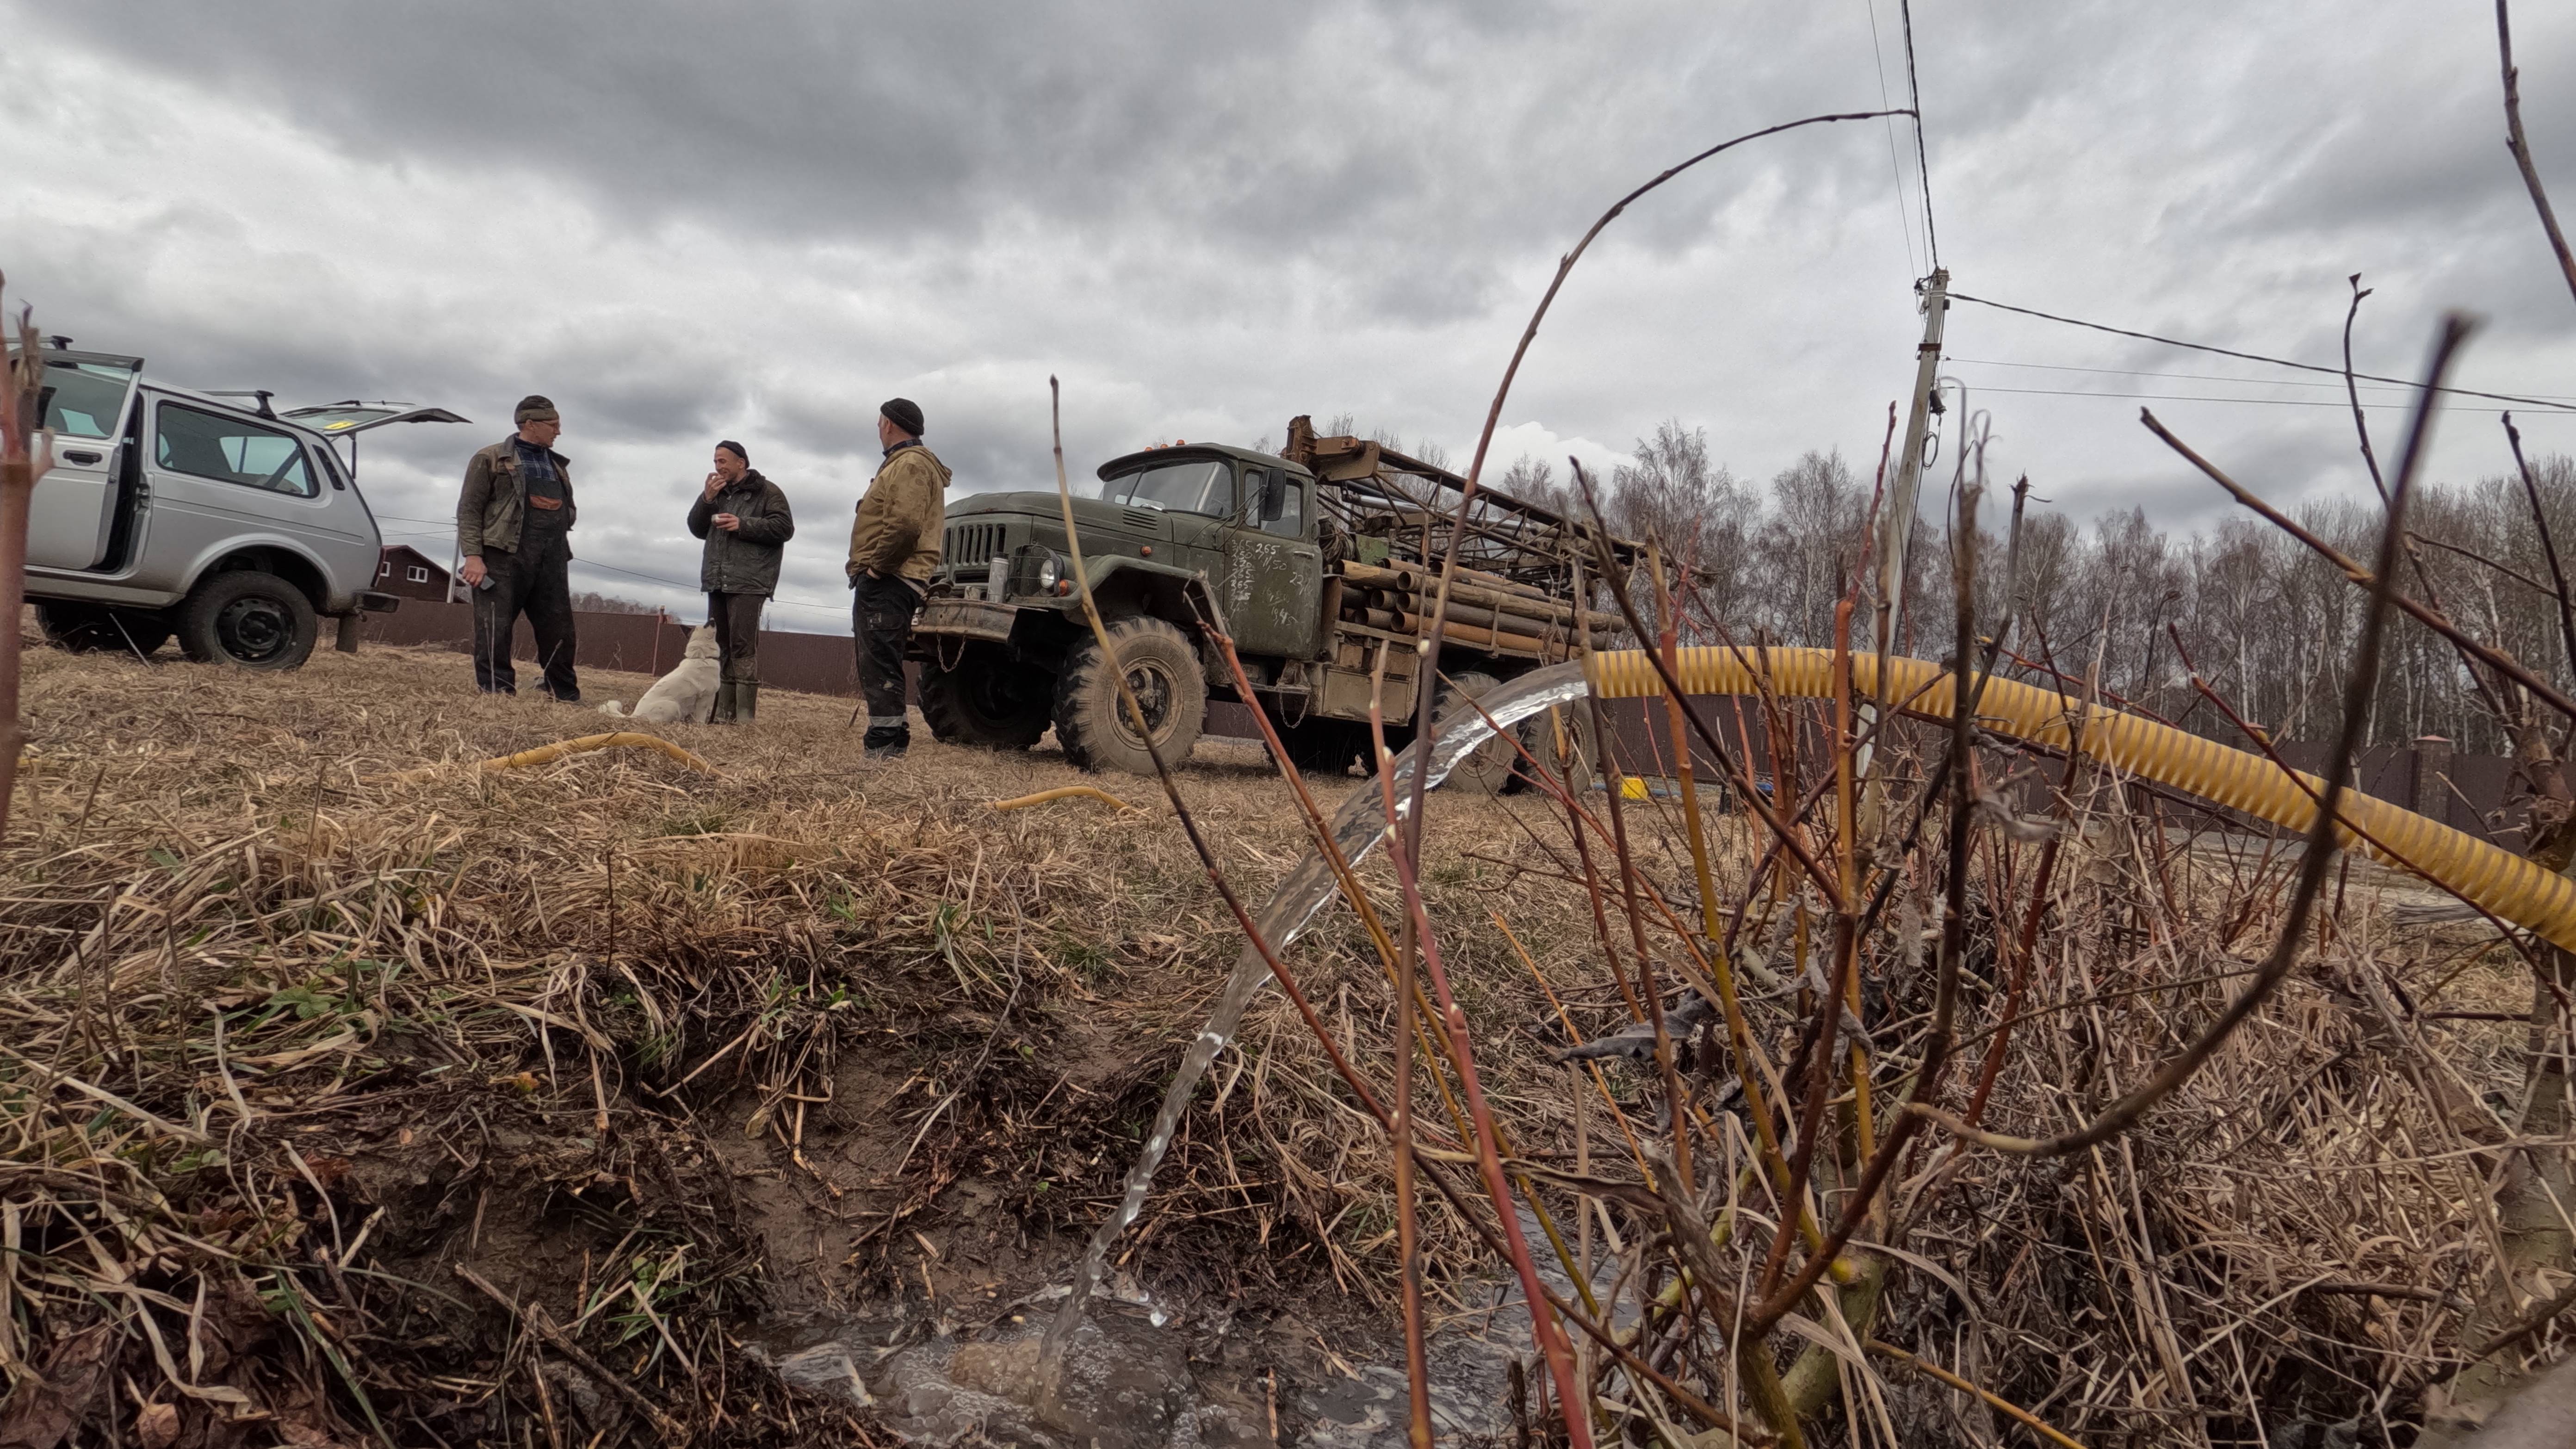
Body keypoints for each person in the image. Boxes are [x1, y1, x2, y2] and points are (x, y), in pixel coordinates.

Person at [457, 395, 579, 700]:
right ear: (530, 424)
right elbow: (469, 510)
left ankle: (564, 694)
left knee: (560, 629)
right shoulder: (490, 458)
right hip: (502, 554)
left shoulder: (557, 466)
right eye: (553, 425)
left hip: (552, 557)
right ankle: (497, 692)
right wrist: (473, 556)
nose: (558, 431)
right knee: (494, 627)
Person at [846, 397, 949, 758]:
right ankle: (894, 738)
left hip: (891, 578)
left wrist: (877, 569)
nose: (878, 428)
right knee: (882, 659)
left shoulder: (909, 464)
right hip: (897, 577)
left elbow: (905, 526)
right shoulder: (907, 464)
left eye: (879, 423)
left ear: (889, 424)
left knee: (878, 663)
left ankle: (883, 746)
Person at [687, 440, 795, 724]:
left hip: (750, 580)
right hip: (717, 579)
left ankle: (744, 718)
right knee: (720, 645)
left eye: (723, 461)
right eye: (715, 461)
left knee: (742, 646)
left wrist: (743, 524)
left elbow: (785, 528)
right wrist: (706, 500)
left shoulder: (768, 491)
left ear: (741, 463)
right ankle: (723, 715)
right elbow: (696, 528)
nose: (718, 466)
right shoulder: (717, 493)